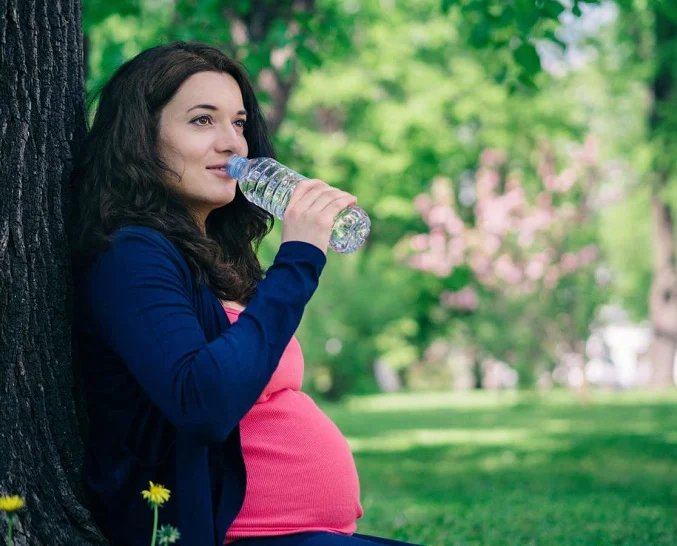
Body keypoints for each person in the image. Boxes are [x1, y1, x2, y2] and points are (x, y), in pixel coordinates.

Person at [71, 42, 422, 546]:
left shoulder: (211, 257)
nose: (233, 143)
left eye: (238, 123)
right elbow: (204, 403)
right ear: (140, 137)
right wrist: (299, 260)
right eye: (201, 121)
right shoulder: (130, 255)